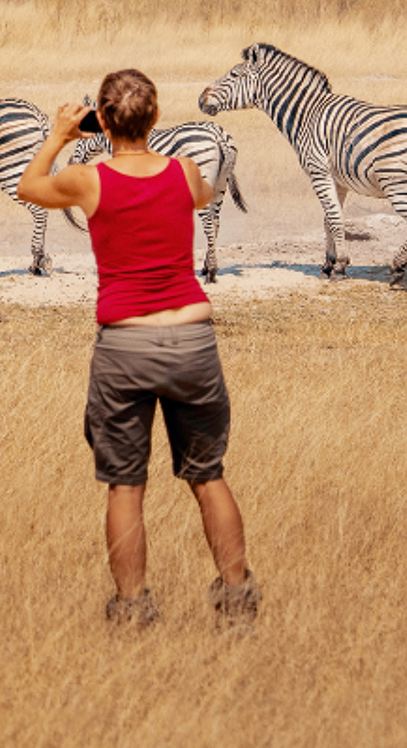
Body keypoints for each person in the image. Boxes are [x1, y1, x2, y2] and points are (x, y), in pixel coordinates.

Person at [18, 69, 259, 630]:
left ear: (102, 121)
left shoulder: (87, 180)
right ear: (154, 120)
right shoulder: (185, 172)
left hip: (126, 342)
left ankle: (132, 612)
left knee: (127, 484)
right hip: (193, 337)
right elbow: (203, 196)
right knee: (208, 475)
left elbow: (29, 187)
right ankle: (239, 603)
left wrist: (58, 135)